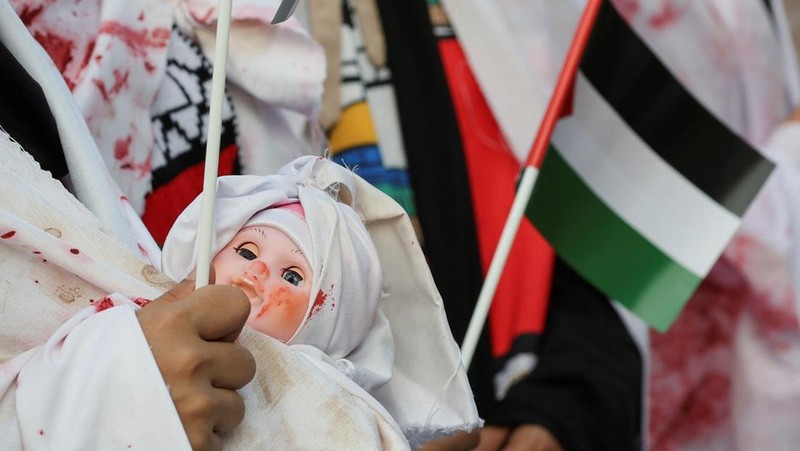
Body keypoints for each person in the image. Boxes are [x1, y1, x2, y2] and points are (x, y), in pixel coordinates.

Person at [160, 155, 483, 448]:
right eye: (246, 251)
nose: (257, 269)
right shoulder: (155, 332)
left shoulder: (331, 405)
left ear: (325, 326)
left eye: (292, 276)